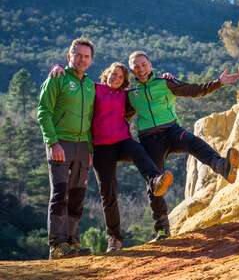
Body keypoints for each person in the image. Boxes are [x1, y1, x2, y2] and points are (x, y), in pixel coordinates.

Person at [49, 62, 174, 253]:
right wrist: (58, 66)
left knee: (139, 151)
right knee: (108, 193)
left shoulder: (126, 95)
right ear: (106, 73)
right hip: (101, 148)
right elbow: (77, 77)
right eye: (113, 74)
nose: (115, 78)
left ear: (124, 82)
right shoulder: (94, 88)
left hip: (122, 142)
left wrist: (164, 77)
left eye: (120, 77)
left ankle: (155, 181)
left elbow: (146, 91)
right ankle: (114, 239)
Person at [127, 50, 239, 242]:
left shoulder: (165, 83)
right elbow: (119, 115)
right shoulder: (130, 94)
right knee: (154, 183)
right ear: (132, 70)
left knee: (195, 143)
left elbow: (193, 90)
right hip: (149, 139)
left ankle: (224, 167)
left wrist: (218, 82)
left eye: (143, 64)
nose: (141, 69)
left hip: (171, 131)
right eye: (136, 66)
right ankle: (162, 230)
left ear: (150, 65)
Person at [37, 37, 96, 260]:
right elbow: (43, 111)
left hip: (82, 147)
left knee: (78, 195)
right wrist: (53, 142)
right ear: (69, 56)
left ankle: (72, 242)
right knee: (60, 194)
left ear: (91, 60)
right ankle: (57, 245)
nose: (82, 59)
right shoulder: (57, 78)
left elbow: (90, 118)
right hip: (60, 143)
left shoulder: (90, 85)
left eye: (86, 56)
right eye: (78, 55)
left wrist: (89, 148)